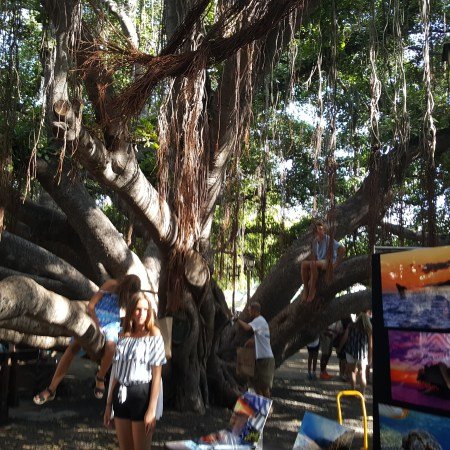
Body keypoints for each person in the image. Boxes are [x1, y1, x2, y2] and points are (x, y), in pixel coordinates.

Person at [33, 274, 141, 405]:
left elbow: (129, 316)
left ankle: (100, 377)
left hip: (112, 323)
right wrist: (96, 324)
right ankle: (51, 389)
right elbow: (91, 305)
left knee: (111, 347)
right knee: (72, 348)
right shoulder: (111, 285)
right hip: (95, 318)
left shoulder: (130, 297)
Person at [103, 291, 166, 450]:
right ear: (131, 310)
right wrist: (108, 404)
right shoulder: (123, 335)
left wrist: (152, 409)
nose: (141, 314)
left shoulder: (154, 334)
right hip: (120, 395)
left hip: (141, 396)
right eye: (138, 309)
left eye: (145, 310)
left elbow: (157, 375)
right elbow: (116, 372)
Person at [234, 302, 275, 398]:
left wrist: (237, 320)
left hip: (266, 358)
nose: (248, 311)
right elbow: (255, 339)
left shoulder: (259, 320)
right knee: (257, 385)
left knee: (264, 387)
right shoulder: (260, 323)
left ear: (254, 310)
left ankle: (266, 409)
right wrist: (246, 345)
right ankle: (260, 408)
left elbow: (247, 327)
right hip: (259, 358)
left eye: (249, 310)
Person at [301, 221, 345, 303]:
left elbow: (342, 249)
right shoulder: (314, 242)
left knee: (312, 263)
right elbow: (314, 256)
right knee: (304, 264)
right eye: (318, 230)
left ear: (324, 230)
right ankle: (306, 289)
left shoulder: (327, 238)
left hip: (329, 261)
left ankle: (312, 290)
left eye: (321, 229)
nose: (320, 232)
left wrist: (336, 264)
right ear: (315, 232)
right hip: (320, 262)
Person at [338, 311, 372, 396]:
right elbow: (370, 345)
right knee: (362, 373)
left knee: (352, 372)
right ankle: (362, 394)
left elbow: (345, 338)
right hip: (363, 353)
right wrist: (370, 356)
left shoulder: (351, 325)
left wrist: (339, 348)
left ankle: (352, 389)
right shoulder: (368, 328)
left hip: (350, 351)